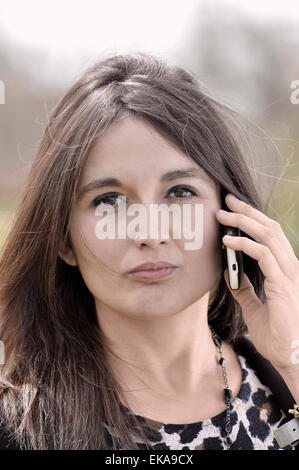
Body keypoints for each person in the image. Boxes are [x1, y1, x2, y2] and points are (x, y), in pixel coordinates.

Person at [0, 52, 298, 451]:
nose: (150, 232)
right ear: (64, 240)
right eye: (110, 201)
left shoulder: (284, 389)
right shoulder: (18, 429)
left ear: (230, 217)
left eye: (179, 193)